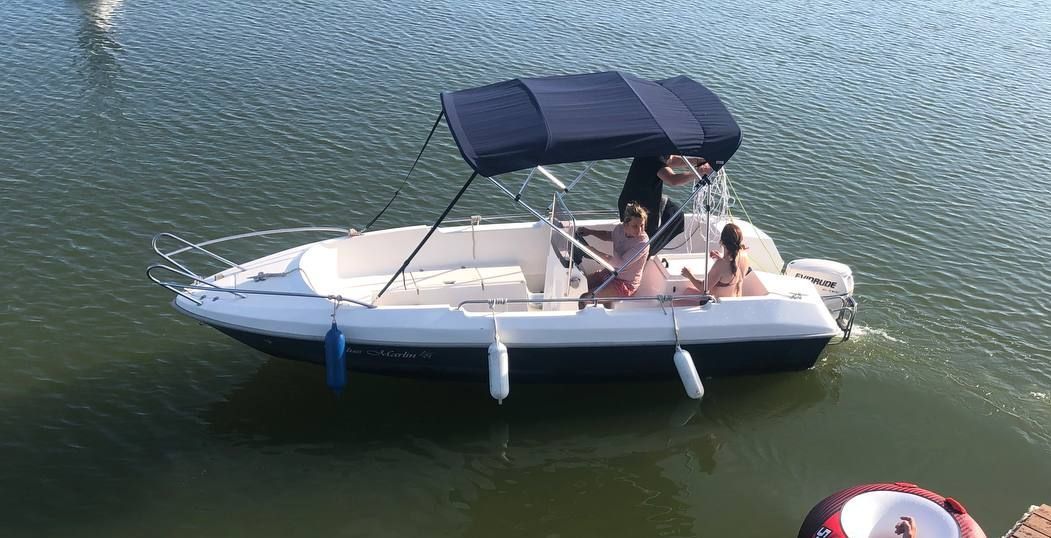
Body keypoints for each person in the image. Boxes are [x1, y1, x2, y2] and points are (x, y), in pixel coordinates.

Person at [618, 155, 713, 255]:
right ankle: (643, 254)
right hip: (638, 206)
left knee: (675, 214)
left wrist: (698, 161)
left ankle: (646, 251)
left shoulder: (655, 151)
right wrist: (700, 172)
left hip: (635, 199)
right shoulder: (654, 156)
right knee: (643, 235)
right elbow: (673, 179)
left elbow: (670, 160)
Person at [578, 202, 650, 300]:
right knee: (580, 285)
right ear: (625, 224)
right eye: (635, 226)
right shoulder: (620, 229)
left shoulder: (643, 243)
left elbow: (620, 263)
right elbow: (608, 235)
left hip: (625, 284)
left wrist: (592, 250)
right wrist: (590, 232)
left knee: (584, 298)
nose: (639, 230)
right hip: (610, 272)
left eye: (642, 225)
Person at [680, 222, 751, 299]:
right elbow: (731, 269)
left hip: (718, 304)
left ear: (722, 242)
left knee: (686, 292)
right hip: (735, 301)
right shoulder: (744, 255)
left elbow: (703, 288)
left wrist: (689, 275)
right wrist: (721, 257)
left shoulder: (721, 265)